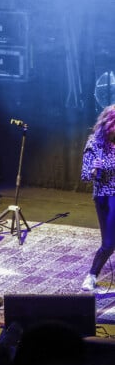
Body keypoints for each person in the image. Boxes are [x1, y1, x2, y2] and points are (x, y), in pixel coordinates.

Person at [80, 103, 115, 290]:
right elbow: (85, 175)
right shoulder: (95, 144)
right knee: (109, 244)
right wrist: (95, 169)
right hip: (106, 195)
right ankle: (92, 275)